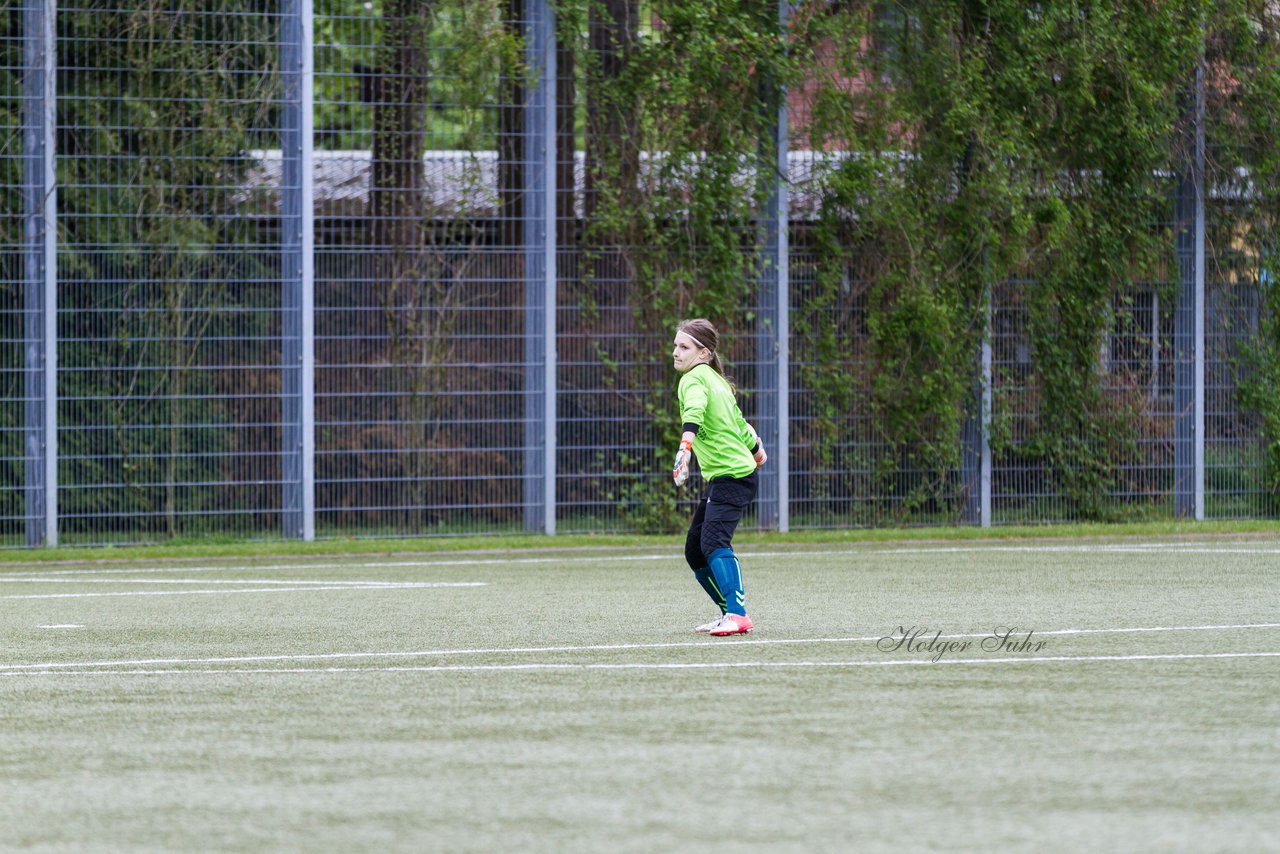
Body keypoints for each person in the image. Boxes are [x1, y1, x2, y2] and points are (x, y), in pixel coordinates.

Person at [671, 318, 767, 636]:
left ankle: (738, 614)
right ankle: (728, 613)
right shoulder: (716, 381)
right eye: (675, 345)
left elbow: (694, 413)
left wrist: (684, 448)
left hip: (733, 476)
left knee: (713, 543)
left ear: (703, 353)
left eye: (683, 347)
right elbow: (739, 424)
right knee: (695, 551)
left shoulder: (695, 380)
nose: (675, 352)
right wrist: (756, 451)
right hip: (733, 475)